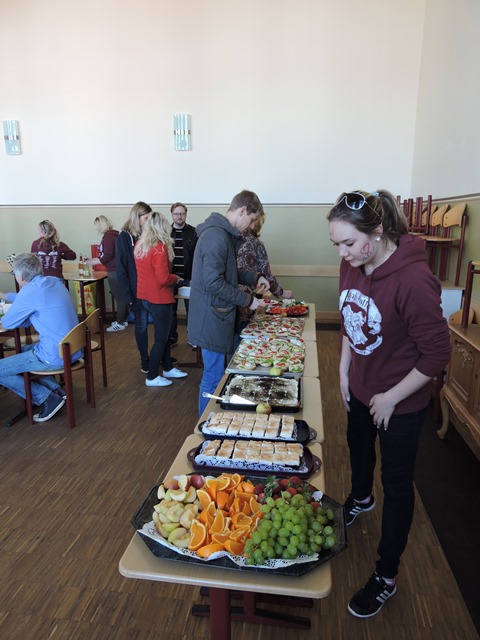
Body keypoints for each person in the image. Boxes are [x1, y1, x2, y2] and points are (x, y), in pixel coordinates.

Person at [327, 190, 451, 619]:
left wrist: (392, 396)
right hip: (362, 388)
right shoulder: (352, 263)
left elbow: (437, 355)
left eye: (349, 243)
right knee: (358, 449)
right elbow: (349, 320)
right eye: (336, 244)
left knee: (397, 486)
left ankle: (386, 575)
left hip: (401, 402)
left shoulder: (413, 280)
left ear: (377, 231)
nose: (343, 254)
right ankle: (361, 498)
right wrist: (344, 369)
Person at [188, 189, 270, 416]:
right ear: (242, 210)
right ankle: (205, 426)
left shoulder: (223, 234)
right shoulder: (216, 236)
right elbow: (214, 282)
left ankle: (214, 421)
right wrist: (248, 300)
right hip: (211, 319)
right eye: (251, 219)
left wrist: (254, 277)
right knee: (213, 377)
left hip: (216, 316)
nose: (251, 226)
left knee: (217, 375)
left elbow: (229, 273)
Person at [0, 253, 81, 423]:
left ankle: (46, 397)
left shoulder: (29, 292)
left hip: (54, 355)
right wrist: (4, 295)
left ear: (21, 276)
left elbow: (8, 322)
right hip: (73, 348)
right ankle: (56, 390)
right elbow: (28, 300)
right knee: (23, 351)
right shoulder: (53, 281)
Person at [134, 211, 188, 387]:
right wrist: (176, 278)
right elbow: (163, 279)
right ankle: (151, 376)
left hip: (145, 296)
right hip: (160, 298)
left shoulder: (140, 244)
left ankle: (167, 368)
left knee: (162, 337)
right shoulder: (159, 247)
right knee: (161, 339)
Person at [235, 208, 293, 340]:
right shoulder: (256, 243)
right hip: (248, 300)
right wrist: (281, 293)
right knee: (246, 337)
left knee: (234, 337)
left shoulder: (230, 240)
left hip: (230, 298)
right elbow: (266, 275)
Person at [85, 215, 128, 333]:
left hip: (114, 271)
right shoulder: (113, 235)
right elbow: (105, 255)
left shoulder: (108, 237)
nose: (96, 229)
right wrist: (94, 260)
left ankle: (120, 322)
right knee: (121, 297)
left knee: (119, 298)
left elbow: (107, 256)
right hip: (117, 270)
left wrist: (92, 262)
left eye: (97, 226)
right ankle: (123, 319)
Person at [169, 202, 197, 346]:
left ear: (186, 214)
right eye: (176, 214)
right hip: (171, 278)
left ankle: (192, 338)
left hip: (189, 277)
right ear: (172, 215)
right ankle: (172, 338)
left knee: (192, 310)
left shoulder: (194, 232)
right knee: (170, 310)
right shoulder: (165, 233)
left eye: (182, 213)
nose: (179, 216)